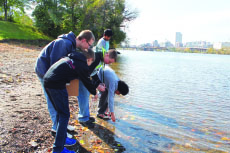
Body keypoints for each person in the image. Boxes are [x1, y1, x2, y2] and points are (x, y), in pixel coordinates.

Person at [35, 30, 95, 138]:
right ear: (84, 40)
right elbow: (54, 66)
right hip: (45, 72)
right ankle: (57, 128)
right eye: (89, 45)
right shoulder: (63, 43)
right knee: (53, 100)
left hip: (55, 76)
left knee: (61, 100)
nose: (88, 48)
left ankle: (63, 125)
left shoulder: (71, 44)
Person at [44, 49, 104, 153]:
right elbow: (87, 81)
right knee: (64, 115)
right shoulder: (81, 65)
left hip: (48, 81)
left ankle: (61, 140)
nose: (90, 65)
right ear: (89, 59)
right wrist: (95, 93)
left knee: (60, 113)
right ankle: (58, 149)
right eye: (90, 63)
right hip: (56, 85)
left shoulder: (72, 58)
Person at [77, 49, 118, 128]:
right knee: (84, 97)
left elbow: (93, 73)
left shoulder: (100, 59)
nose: (109, 64)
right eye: (109, 61)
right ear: (107, 55)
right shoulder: (97, 58)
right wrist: (96, 86)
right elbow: (87, 73)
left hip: (84, 77)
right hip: (81, 77)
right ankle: (83, 118)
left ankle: (86, 116)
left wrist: (99, 82)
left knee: (86, 97)